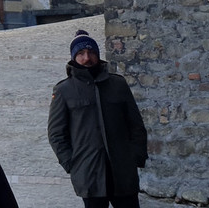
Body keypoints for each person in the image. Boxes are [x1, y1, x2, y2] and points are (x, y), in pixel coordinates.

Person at [48, 29, 148, 208]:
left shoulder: (117, 84)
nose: (87, 58)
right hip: (89, 172)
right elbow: (56, 134)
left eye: (91, 52)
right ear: (73, 57)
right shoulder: (64, 90)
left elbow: (136, 125)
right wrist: (72, 164)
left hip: (123, 170)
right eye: (81, 53)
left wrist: (135, 157)